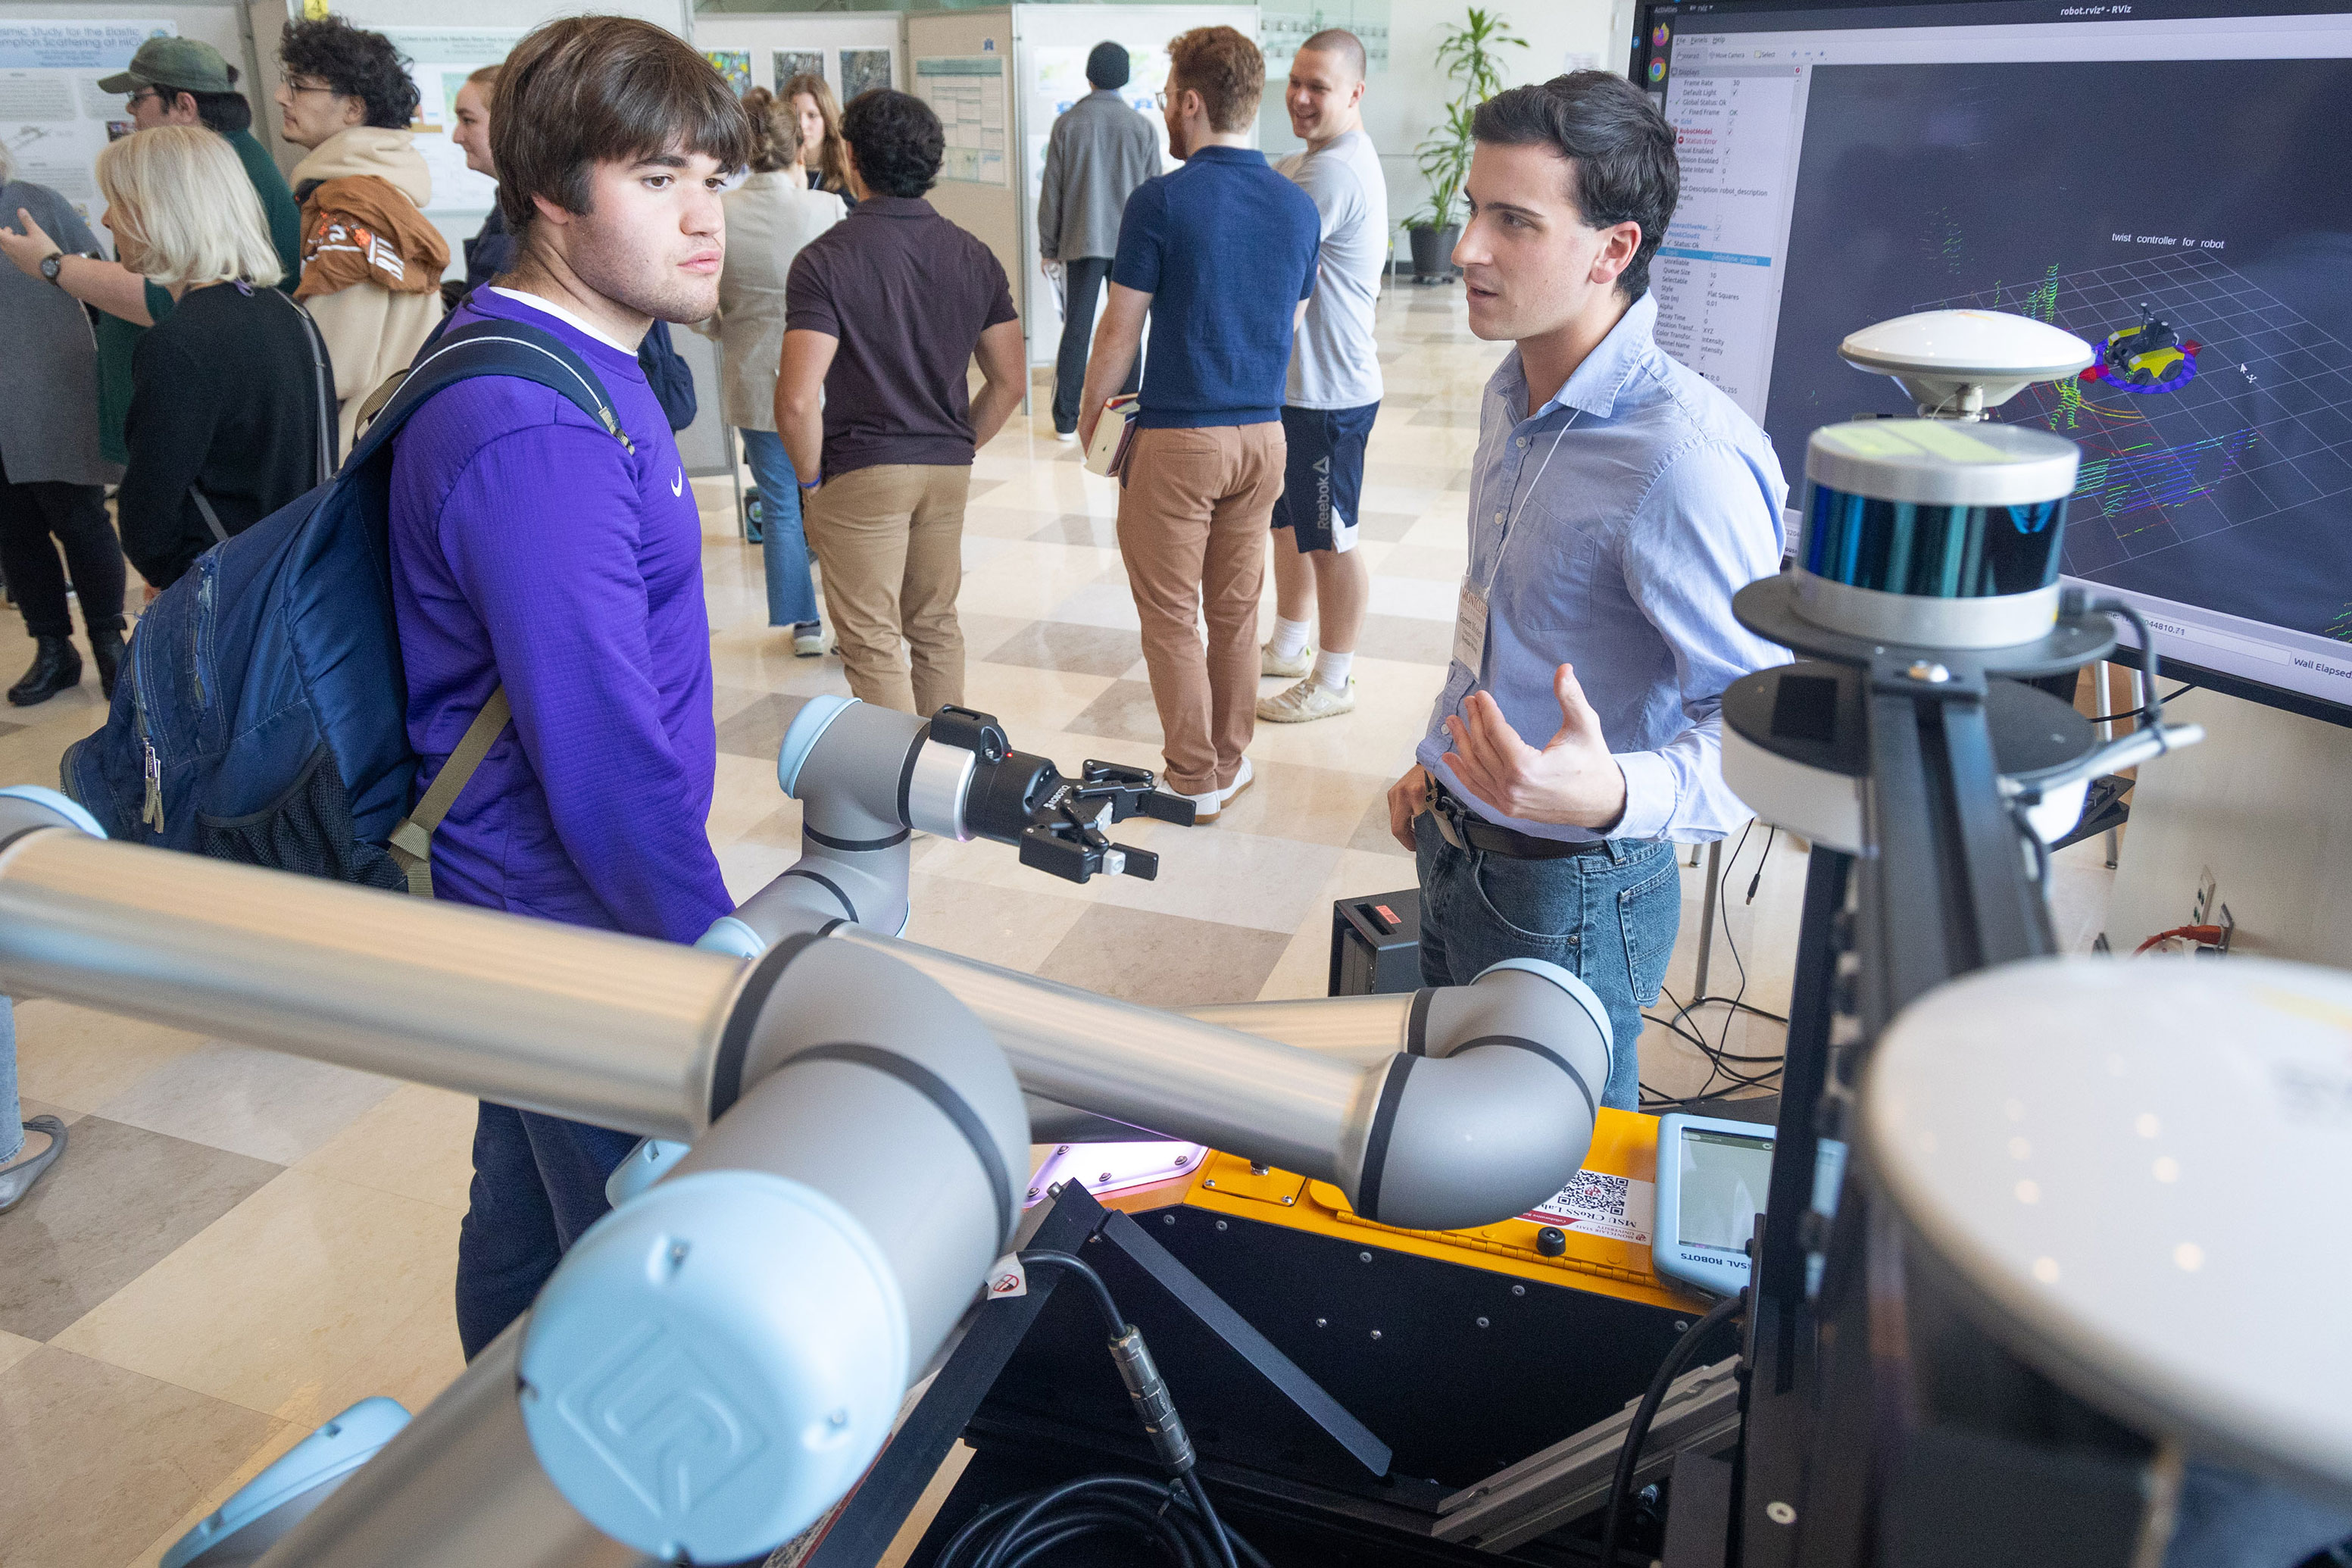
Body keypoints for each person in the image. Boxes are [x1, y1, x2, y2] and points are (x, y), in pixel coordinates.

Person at [382, 15, 747, 1357]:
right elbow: (601, 761)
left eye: (714, 179)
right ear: (548, 190)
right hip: (564, 918)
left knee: (531, 1225)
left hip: (553, 908)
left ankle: (513, 1463)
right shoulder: (534, 425)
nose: (702, 219)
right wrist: (721, 959)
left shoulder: (599, 360)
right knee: (637, 1280)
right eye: (657, 182)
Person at [1383, 73, 1788, 1111]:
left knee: (1554, 1188)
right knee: (1453, 1139)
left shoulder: (1683, 461)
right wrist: (1440, 766)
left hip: (1568, 890)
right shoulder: (1515, 386)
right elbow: (1508, 622)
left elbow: (1764, 732)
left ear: (1613, 250)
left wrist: (1612, 795)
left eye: (1512, 221)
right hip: (1455, 843)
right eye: (1474, 208)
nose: (1467, 247)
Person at [1074, 27, 1320, 821]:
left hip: (1181, 440)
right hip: (1264, 437)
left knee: (1173, 614)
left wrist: (1092, 423)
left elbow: (1120, 329)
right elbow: (1292, 319)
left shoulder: (1164, 200)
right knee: (1236, 610)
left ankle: (1194, 777)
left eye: (1167, 98)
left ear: (1190, 100)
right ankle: (1230, 758)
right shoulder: (1296, 206)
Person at [777, 88, 1023, 717]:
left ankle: (897, 798)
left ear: (850, 155)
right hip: (946, 469)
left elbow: (799, 400)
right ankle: (949, 779)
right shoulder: (974, 255)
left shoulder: (824, 260)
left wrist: (811, 483)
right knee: (935, 624)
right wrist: (957, 441)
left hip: (861, 469)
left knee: (871, 639)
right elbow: (1010, 382)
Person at [0, 36, 302, 469]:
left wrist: (52, 266)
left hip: (189, 447)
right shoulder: (227, 163)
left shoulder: (221, 170)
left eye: (137, 98)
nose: (129, 111)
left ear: (184, 106)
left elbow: (165, 300)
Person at [104, 127, 334, 593]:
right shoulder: (287, 314)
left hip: (223, 591)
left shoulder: (179, 343)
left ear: (158, 213)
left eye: (118, 202)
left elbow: (149, 514)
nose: (107, 220)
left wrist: (172, 578)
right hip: (292, 577)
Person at [1259, 30, 1388, 726]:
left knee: (1329, 538)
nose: (1302, 99)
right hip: (1301, 389)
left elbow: (1266, 270)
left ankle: (1333, 678)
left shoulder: (1330, 173)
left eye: (1320, 88)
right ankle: (1289, 644)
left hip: (1327, 395)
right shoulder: (1318, 160)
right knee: (1289, 525)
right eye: (1296, 82)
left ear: (1355, 94)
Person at [697, 86, 842, 657]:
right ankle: (849, 620)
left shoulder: (719, 213)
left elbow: (702, 302)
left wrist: (727, 330)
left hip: (754, 377)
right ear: (798, 143)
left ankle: (804, 625)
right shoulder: (825, 209)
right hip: (828, 381)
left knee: (780, 503)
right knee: (831, 501)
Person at [275, 15, 449, 454]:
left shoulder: (353, 209)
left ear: (353, 109)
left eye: (299, 86)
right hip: (390, 438)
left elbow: (335, 365)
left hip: (354, 449)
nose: (281, 97)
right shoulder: (376, 194)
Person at [0, 143, 126, 705]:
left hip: (52, 391)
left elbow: (100, 283)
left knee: (81, 520)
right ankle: (53, 648)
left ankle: (108, 639)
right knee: (14, 532)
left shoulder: (35, 203)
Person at [1036, 42, 1157, 441]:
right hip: (1133, 247)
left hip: (1080, 242)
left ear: (1089, 75)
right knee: (1128, 331)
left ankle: (1066, 421)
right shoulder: (1142, 127)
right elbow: (1155, 193)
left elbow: (1051, 192)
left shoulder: (1068, 124)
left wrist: (1048, 247)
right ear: (1124, 78)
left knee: (1077, 329)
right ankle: (1127, 415)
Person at [451, 65, 514, 292]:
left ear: (506, 122)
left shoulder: (534, 217)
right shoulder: (508, 201)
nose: (456, 137)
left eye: (468, 121)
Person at [781, 73, 855, 209]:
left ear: (827, 120)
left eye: (812, 115)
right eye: (795, 116)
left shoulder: (848, 174)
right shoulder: (775, 174)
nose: (803, 125)